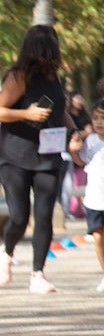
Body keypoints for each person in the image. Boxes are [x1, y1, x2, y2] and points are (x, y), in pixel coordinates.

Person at [0, 25, 69, 294]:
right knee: (20, 216)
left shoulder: (55, 77)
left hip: (49, 155)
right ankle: (7, 251)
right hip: (16, 156)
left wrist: (76, 133)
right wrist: (26, 114)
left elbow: (61, 110)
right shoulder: (18, 77)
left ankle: (38, 274)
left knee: (44, 216)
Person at [67, 101, 104, 291]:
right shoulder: (90, 141)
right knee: (98, 238)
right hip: (95, 199)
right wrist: (74, 153)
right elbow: (81, 161)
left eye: (103, 119)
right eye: (96, 118)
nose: (99, 123)